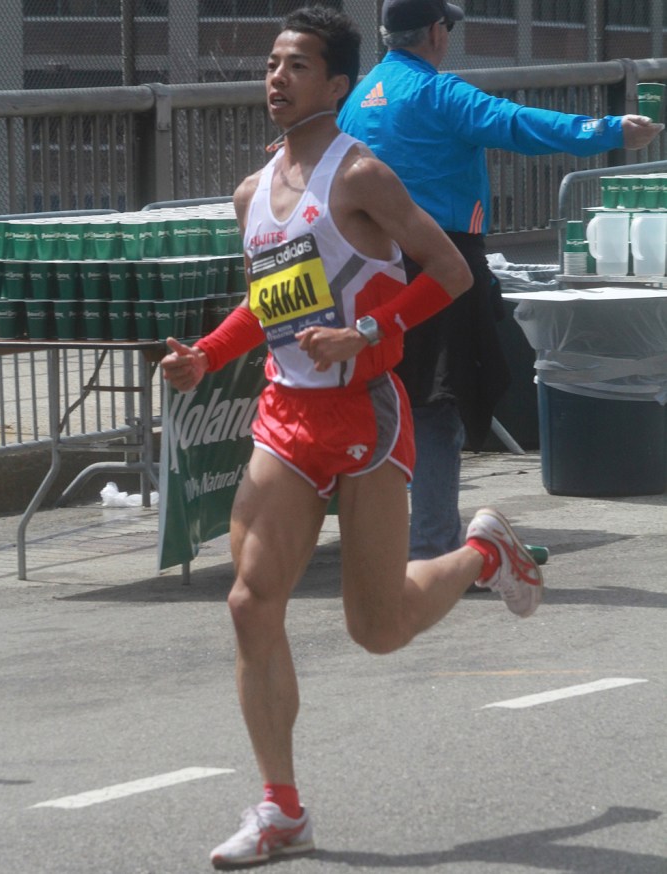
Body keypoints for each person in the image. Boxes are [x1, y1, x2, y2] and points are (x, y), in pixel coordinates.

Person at [161, 6, 544, 869]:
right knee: (250, 602)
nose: (277, 77)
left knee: (379, 627)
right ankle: (281, 809)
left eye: (297, 65)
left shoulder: (363, 175)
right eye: (272, 63)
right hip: (286, 415)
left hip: (366, 411)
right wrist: (207, 355)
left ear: (337, 85)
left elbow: (451, 272)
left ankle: (483, 553)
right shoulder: (252, 194)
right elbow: (268, 303)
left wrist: (368, 332)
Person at [339, 0, 665, 565]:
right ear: (436, 32)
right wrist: (608, 129)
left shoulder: (355, 100)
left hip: (365, 267)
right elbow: (516, 123)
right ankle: (433, 549)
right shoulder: (437, 92)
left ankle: (386, 545)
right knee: (438, 404)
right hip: (440, 265)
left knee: (385, 401)